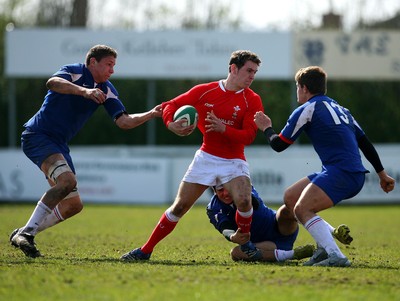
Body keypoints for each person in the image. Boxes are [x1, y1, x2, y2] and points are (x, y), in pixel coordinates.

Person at [10, 44, 162, 258]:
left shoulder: (107, 89)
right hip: (38, 135)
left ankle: (24, 232)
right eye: (109, 64)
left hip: (59, 144)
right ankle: (27, 233)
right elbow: (52, 82)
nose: (112, 70)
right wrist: (84, 91)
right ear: (93, 62)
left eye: (114, 66)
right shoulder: (75, 71)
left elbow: (124, 122)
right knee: (67, 182)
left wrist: (152, 114)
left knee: (73, 205)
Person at [121, 50, 264, 261]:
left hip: (234, 160)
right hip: (206, 157)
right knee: (179, 206)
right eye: (249, 70)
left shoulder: (252, 99)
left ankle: (245, 241)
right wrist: (171, 124)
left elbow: (249, 136)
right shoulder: (205, 91)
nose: (252, 76)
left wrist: (223, 128)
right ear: (233, 68)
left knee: (244, 201)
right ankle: (145, 250)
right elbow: (170, 105)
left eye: (255, 72)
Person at [254, 66, 396, 267]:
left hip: (342, 173)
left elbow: (279, 145)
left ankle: (335, 255)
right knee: (291, 197)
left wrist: (266, 127)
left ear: (303, 88)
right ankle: (324, 247)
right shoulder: (342, 109)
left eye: (297, 87)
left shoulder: (306, 109)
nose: (297, 91)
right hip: (347, 173)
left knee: (303, 209)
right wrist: (382, 174)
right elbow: (364, 142)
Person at [207, 185, 352, 262]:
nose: (225, 193)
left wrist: (243, 198)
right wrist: (233, 237)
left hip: (280, 226)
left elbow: (255, 204)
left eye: (227, 188)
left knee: (287, 209)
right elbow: (224, 227)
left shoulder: (243, 185)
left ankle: (333, 232)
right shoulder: (213, 208)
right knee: (236, 253)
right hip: (265, 244)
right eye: (220, 190)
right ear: (213, 189)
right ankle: (294, 254)